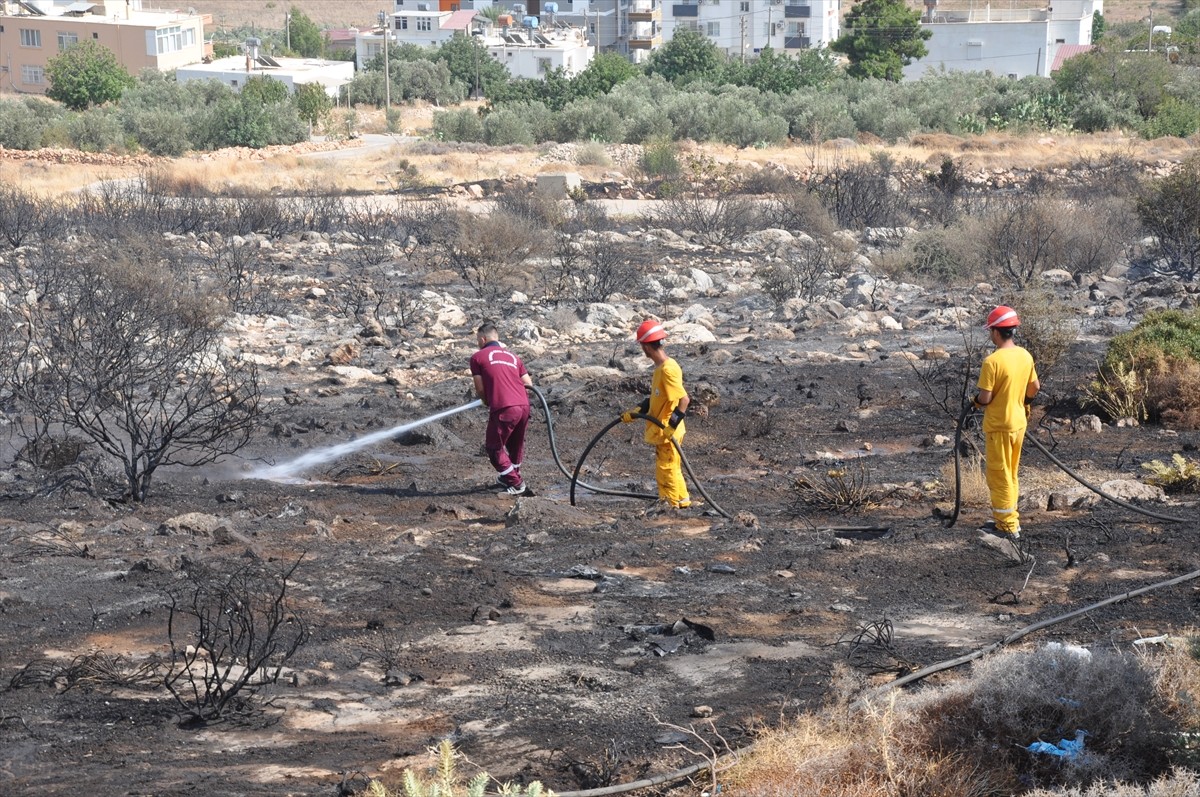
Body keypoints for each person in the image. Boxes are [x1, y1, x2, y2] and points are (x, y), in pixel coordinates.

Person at [971, 305, 1040, 539]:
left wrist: (976, 402)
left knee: (999, 476)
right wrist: (1024, 401)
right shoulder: (1025, 355)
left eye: (990, 330)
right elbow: (1034, 387)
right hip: (1019, 424)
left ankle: (1008, 528)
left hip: (1000, 426)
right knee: (1010, 474)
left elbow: (985, 397)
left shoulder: (992, 361)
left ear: (996, 332)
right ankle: (1006, 520)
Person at [621, 319, 692, 510]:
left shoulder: (668, 370)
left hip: (669, 432)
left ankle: (669, 506)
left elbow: (684, 400)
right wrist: (637, 411)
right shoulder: (662, 368)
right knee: (672, 466)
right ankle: (682, 500)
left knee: (665, 468)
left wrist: (671, 426)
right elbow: (657, 398)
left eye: (642, 345)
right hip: (667, 430)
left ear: (646, 346)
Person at [470, 321, 533, 496]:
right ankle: (511, 476)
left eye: (477, 340)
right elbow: (528, 383)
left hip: (504, 407)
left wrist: (486, 400)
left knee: (493, 447)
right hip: (524, 406)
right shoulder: (513, 357)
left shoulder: (478, 357)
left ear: (483, 339)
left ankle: (517, 484)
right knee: (515, 445)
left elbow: (479, 388)